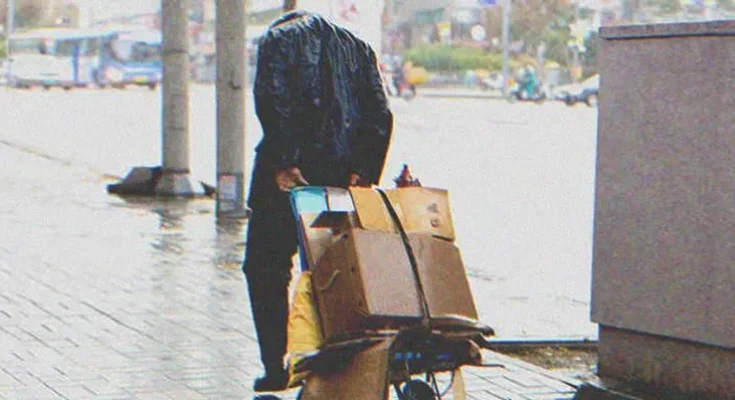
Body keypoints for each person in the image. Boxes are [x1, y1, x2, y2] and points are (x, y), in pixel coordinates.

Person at [242, 11, 394, 392]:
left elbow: (271, 97)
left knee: (266, 268)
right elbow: (380, 114)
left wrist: (284, 159)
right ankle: (336, 359)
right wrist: (363, 170)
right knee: (335, 270)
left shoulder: (277, 40)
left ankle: (277, 365)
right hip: (339, 180)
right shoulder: (358, 49)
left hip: (287, 180)